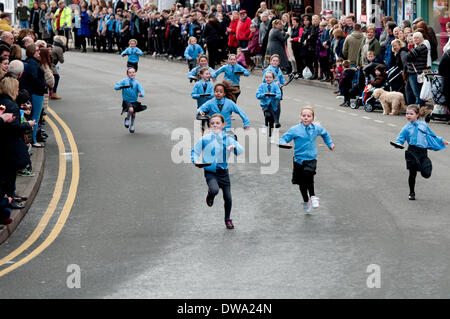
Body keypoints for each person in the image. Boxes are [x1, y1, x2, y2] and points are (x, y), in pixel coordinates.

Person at [191, 113, 243, 229]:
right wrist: (196, 161)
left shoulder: (228, 138)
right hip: (210, 171)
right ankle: (210, 194)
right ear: (210, 125)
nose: (215, 125)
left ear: (223, 125)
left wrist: (234, 147)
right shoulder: (205, 138)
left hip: (223, 172)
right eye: (212, 123)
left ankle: (227, 219)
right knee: (215, 190)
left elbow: (240, 150)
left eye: (217, 123)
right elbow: (195, 151)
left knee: (228, 197)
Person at [279, 106, 335, 213]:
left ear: (312, 118)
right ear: (300, 117)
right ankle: (305, 200)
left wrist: (330, 144)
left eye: (308, 116)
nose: (306, 118)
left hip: (311, 159)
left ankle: (313, 196)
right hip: (298, 160)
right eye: (303, 116)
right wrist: (284, 143)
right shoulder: (295, 129)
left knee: (308, 176)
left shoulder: (316, 128)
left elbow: (325, 134)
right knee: (301, 184)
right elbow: (283, 138)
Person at [394, 105, 448, 200]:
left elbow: (431, 135)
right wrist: (398, 143)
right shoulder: (406, 128)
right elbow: (400, 139)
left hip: (422, 152)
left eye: (411, 114)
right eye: (407, 113)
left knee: (426, 174)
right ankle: (411, 192)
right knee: (412, 173)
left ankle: (423, 166)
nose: (408, 115)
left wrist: (441, 140)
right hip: (412, 152)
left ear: (417, 115)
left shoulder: (423, 125)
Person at [114, 67, 145, 133]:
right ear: (127, 74)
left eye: (133, 72)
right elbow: (116, 86)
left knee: (133, 114)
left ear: (135, 73)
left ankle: (132, 125)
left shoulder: (137, 82)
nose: (131, 74)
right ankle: (127, 119)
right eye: (130, 73)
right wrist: (120, 87)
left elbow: (141, 90)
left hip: (134, 101)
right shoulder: (124, 81)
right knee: (131, 109)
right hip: (126, 100)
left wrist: (141, 94)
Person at [256, 70, 281, 143]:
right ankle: (265, 125)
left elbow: (279, 95)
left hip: (273, 106)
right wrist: (264, 95)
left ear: (273, 79)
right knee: (267, 115)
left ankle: (271, 136)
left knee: (272, 122)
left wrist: (274, 95)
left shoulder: (276, 86)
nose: (268, 79)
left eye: (270, 77)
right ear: (264, 78)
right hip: (265, 105)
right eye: (266, 77)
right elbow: (257, 95)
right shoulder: (262, 86)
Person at [405, 32, 429, 106]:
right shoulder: (415, 47)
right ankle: (411, 108)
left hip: (416, 73)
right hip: (411, 72)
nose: (415, 39)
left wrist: (410, 50)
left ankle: (418, 110)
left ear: (421, 38)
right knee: (408, 91)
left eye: (417, 38)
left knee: (417, 93)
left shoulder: (422, 47)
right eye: (414, 38)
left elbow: (408, 57)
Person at [191, 67, 214, 134]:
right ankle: (202, 135)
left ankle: (211, 135)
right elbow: (193, 95)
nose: (208, 75)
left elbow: (213, 94)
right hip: (201, 107)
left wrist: (208, 95)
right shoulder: (197, 84)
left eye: (209, 74)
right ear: (201, 75)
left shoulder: (211, 84)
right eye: (206, 74)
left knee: (210, 122)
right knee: (203, 122)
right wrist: (200, 95)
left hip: (210, 107)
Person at [50, 35, 66, 100]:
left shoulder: (54, 46)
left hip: (51, 64)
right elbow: (62, 60)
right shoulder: (59, 48)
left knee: (51, 78)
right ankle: (53, 93)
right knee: (56, 77)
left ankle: (50, 93)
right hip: (52, 64)